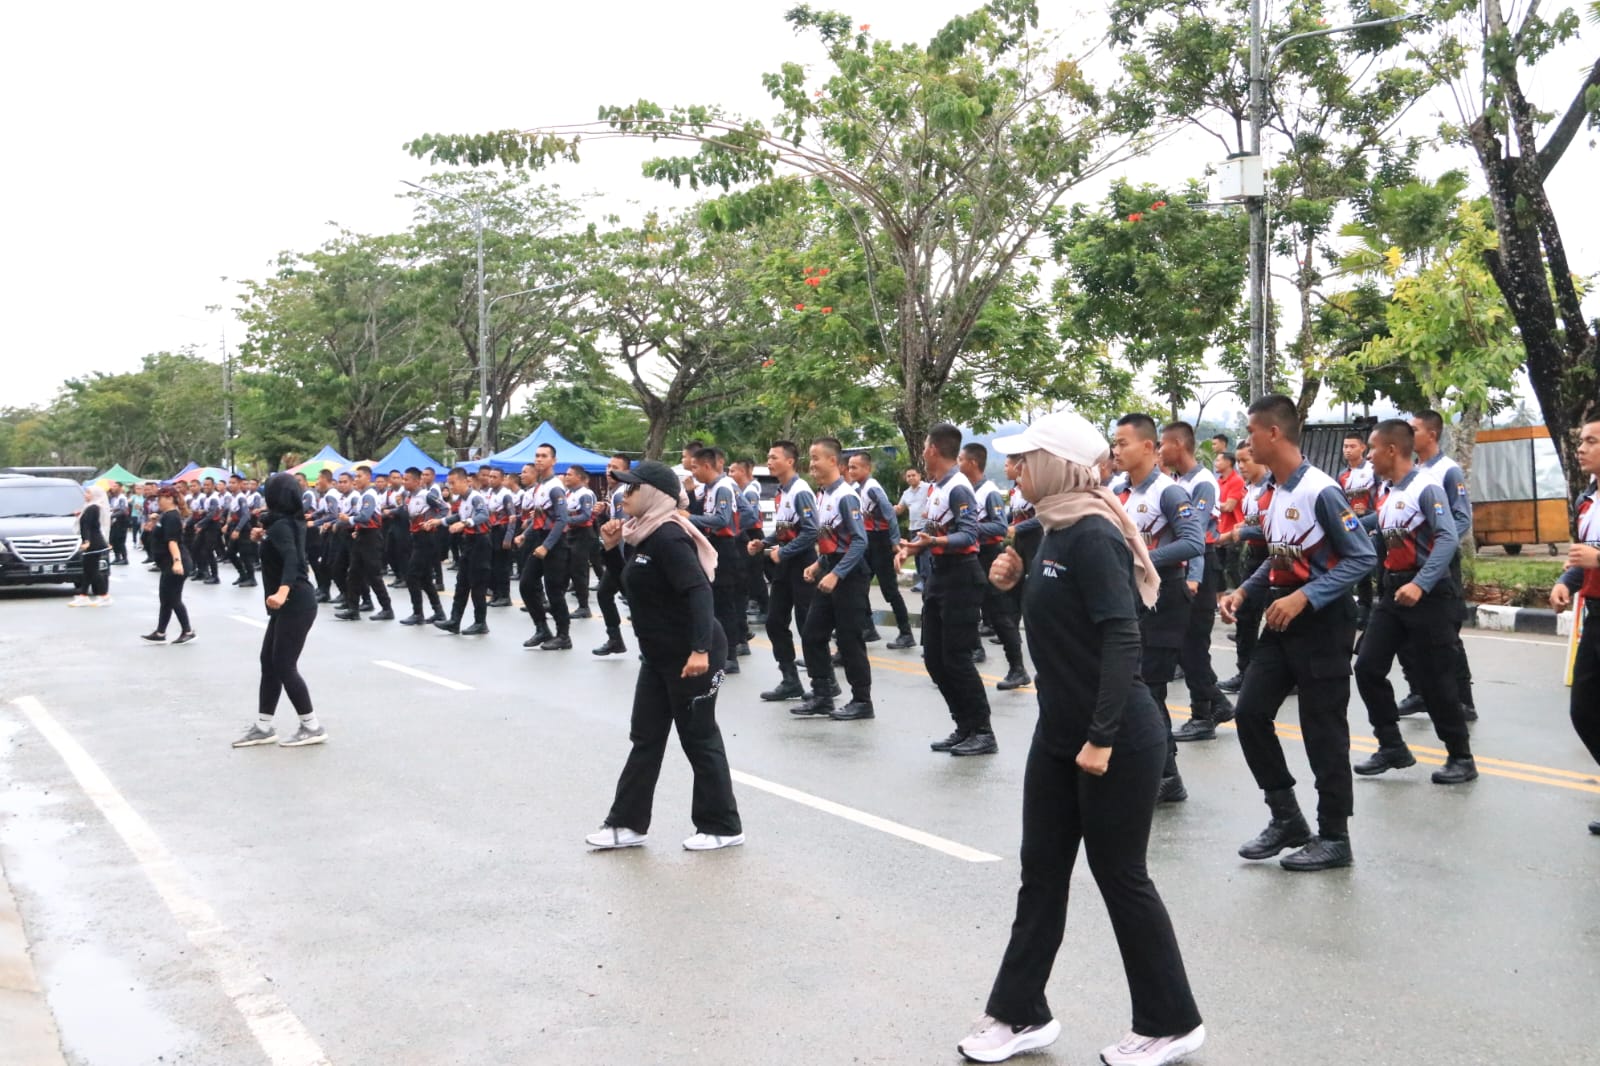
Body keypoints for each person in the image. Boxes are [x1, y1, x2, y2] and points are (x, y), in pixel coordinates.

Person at [962, 412, 1206, 1066]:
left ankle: (1170, 1022)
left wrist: (1100, 739)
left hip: (1115, 737)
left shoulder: (1094, 533)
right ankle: (1020, 1015)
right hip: (1059, 731)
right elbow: (1058, 625)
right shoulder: (1050, 527)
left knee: (1120, 875)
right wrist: (1012, 580)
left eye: (1024, 460)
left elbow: (1122, 636)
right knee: (1040, 872)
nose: (1012, 470)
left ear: (1060, 465)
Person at [1218, 395, 1376, 872]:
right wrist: (1245, 592)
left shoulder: (1320, 490)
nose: (1245, 442)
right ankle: (1286, 817)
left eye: (1250, 432)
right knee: (1248, 713)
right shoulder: (1275, 492)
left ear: (1273, 434)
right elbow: (1279, 556)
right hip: (1280, 622)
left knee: (1322, 731)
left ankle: (1334, 836)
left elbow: (1363, 556)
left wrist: (1306, 597)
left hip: (1322, 625)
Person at [586, 459, 744, 853]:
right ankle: (626, 824)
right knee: (646, 737)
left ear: (653, 494)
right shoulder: (642, 536)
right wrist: (609, 550)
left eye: (632, 488)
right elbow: (631, 584)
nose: (624, 494)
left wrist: (700, 649)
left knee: (699, 738)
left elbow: (699, 592)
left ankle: (722, 826)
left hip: (692, 655)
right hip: (658, 655)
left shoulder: (669, 537)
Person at [1351, 420, 1476, 783]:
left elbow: (1448, 539)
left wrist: (1421, 584)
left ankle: (1461, 756)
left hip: (1429, 596)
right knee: (1368, 667)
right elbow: (1376, 526)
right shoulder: (1388, 491)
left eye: (1372, 448)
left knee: (1435, 679)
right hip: (1394, 595)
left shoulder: (1427, 487)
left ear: (1392, 450)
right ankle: (1391, 745)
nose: (1368, 456)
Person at [1111, 414, 1205, 801]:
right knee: (1128, 686)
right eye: (1114, 444)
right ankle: (1147, 766)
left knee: (1151, 690)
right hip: (1129, 599)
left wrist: (1144, 559)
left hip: (1164, 601)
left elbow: (1193, 542)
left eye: (1123, 444)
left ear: (1148, 447)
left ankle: (1168, 775)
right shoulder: (1118, 491)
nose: (1116, 451)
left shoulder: (1168, 492)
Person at [896, 423, 997, 756]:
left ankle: (982, 730)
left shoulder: (958, 487)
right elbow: (931, 532)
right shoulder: (935, 488)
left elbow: (970, 535)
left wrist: (936, 540)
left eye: (925, 445)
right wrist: (911, 548)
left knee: (957, 659)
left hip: (961, 578)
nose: (923, 451)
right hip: (938, 576)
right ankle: (963, 725)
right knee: (935, 659)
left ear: (933, 450)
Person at [232, 473, 326, 749]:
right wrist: (264, 535)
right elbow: (286, 541)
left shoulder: (283, 526)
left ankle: (311, 725)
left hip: (295, 601)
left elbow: (293, 559)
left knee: (284, 664)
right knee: (268, 661)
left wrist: (283, 590)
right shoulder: (286, 522)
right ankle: (263, 726)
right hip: (290, 603)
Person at [1397, 410, 1478, 721]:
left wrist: (1437, 547)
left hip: (1441, 563)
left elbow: (1461, 519)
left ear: (1431, 434)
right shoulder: (1413, 471)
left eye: (1414, 429)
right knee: (1408, 631)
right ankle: (1419, 692)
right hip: (1412, 564)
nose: (1409, 434)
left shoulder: (1448, 471)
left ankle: (1464, 700)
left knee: (1446, 634)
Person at [1161, 421, 1234, 741]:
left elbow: (1195, 534)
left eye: (1163, 444)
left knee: (1192, 645)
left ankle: (1203, 713)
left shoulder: (1202, 482)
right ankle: (1214, 703)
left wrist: (1192, 576)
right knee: (1182, 645)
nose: (1161, 450)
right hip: (1185, 565)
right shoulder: (1178, 481)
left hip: (1200, 565)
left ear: (1179, 444)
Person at [793, 437, 875, 721]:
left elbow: (859, 542)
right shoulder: (822, 495)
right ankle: (822, 693)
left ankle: (862, 701)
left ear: (833, 462)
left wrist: (836, 574)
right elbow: (832, 541)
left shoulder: (846, 496)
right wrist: (818, 565)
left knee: (850, 640)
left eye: (816, 458)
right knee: (812, 633)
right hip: (831, 569)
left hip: (850, 575)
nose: (811, 464)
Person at [1549, 416, 1600, 835]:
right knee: (1583, 709)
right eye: (1581, 440)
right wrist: (1566, 582)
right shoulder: (1587, 498)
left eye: (1590, 441)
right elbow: (1580, 556)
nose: (1581, 448)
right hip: (1594, 614)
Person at [749, 441, 818, 702]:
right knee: (776, 622)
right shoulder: (783, 491)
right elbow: (785, 528)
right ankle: (790, 680)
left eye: (774, 457)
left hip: (801, 564)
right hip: (785, 564)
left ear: (790, 461)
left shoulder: (800, 491)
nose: (769, 461)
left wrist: (784, 552)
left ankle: (824, 682)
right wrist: (765, 543)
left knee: (807, 624)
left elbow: (811, 531)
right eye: (768, 457)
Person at [961, 443, 1030, 689]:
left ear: (971, 463)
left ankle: (1018, 668)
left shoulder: (988, 492)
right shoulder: (967, 489)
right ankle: (975, 649)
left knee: (1000, 614)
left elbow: (1000, 526)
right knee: (968, 606)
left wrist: (968, 529)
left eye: (960, 459)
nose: (957, 464)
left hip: (989, 555)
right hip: (972, 556)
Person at [846, 453, 916, 650]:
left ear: (867, 469)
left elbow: (891, 515)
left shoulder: (873, 488)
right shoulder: (856, 488)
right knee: (859, 585)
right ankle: (868, 627)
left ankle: (906, 633)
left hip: (881, 543)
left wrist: (894, 541)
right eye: (850, 467)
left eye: (855, 467)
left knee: (890, 590)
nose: (851, 471)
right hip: (867, 542)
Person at [688, 447, 747, 674]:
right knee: (714, 602)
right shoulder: (709, 489)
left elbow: (722, 520)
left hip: (725, 548)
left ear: (706, 466)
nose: (693, 472)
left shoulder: (723, 487)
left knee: (724, 604)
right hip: (713, 547)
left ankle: (730, 655)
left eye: (695, 467)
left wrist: (690, 518)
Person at [1217, 445, 1271, 693]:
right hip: (1253, 556)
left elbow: (1272, 528)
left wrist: (1239, 533)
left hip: (1272, 557)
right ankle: (1245, 671)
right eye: (1238, 461)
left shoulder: (1272, 488)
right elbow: (1249, 522)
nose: (1241, 466)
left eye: (1245, 460)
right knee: (1246, 617)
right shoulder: (1250, 489)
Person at [516, 447, 573, 650]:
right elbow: (539, 519)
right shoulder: (540, 486)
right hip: (540, 540)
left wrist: (547, 547)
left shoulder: (555, 487)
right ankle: (542, 629)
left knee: (554, 591)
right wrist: (525, 534)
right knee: (526, 584)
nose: (539, 460)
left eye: (544, 456)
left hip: (555, 544)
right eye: (537, 456)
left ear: (553, 460)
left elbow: (562, 519)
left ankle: (563, 635)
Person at [435, 467, 493, 635]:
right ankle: (454, 621)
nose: (450, 487)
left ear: (464, 481)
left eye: (453, 483)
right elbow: (458, 517)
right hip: (468, 543)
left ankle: (480, 622)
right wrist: (440, 522)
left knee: (477, 585)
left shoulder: (476, 497)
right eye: (449, 483)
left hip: (480, 543)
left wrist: (466, 523)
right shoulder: (461, 500)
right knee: (462, 583)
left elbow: (483, 515)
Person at [335, 466, 395, 621]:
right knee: (353, 574)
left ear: (368, 477)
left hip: (371, 538)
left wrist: (349, 520)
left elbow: (366, 516)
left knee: (374, 575)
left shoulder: (369, 495)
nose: (356, 479)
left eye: (359, 476)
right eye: (355, 476)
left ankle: (387, 608)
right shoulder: (363, 495)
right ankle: (353, 608)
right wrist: (357, 528)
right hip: (362, 536)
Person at [142, 487, 197, 645]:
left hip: (176, 562)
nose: (158, 501)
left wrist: (177, 562)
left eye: (161, 498)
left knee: (173, 598)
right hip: (166, 564)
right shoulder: (164, 516)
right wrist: (153, 522)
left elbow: (172, 541)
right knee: (165, 598)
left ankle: (188, 630)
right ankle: (160, 632)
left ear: (170, 499)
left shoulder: (172, 517)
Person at [593, 454, 633, 656]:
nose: (609, 470)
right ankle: (615, 639)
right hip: (616, 555)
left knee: (636, 602)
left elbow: (621, 528)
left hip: (624, 556)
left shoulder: (622, 493)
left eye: (615, 467)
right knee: (604, 594)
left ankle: (652, 644)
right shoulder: (614, 493)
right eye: (608, 466)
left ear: (626, 472)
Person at [398, 467, 449, 625]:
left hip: (428, 538)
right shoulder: (408, 497)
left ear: (417, 481)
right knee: (425, 578)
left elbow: (445, 508)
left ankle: (417, 612)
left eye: (407, 479)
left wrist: (434, 521)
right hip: (416, 538)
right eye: (403, 479)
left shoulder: (427, 495)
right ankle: (438, 611)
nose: (404, 482)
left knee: (412, 575)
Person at [1338, 432, 1377, 628]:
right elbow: (1340, 504)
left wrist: (1369, 513)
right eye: (1345, 446)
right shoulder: (1342, 476)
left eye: (1352, 446)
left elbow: (1381, 498)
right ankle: (1357, 610)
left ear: (1363, 447)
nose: (1347, 450)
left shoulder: (1372, 471)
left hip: (1370, 522)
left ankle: (1366, 610)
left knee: (1367, 568)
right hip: (1351, 525)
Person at [730, 459, 770, 625]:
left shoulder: (750, 491)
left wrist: (734, 527)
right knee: (748, 574)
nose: (730, 475)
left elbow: (751, 515)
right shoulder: (741, 490)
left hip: (753, 534)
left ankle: (766, 609)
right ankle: (755, 604)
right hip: (745, 533)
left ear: (743, 472)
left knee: (755, 575)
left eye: (733, 471)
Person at [563, 466, 598, 619]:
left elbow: (585, 515)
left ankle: (584, 606)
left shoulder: (585, 494)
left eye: (569, 475)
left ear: (579, 477)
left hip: (582, 534)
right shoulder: (569, 493)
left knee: (579, 570)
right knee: (565, 568)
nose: (566, 477)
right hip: (570, 533)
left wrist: (566, 520)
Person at [70, 485, 113, 607]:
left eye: (88, 493)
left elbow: (87, 527)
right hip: (93, 541)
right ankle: (83, 596)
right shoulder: (89, 507)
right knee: (88, 570)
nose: (85, 495)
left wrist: (87, 541)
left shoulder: (93, 507)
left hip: (94, 543)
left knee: (93, 570)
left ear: (95, 495)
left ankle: (104, 596)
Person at [896, 468, 932, 593]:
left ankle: (927, 582)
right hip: (913, 527)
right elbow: (900, 508)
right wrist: (892, 509)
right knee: (917, 555)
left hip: (925, 527)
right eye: (908, 476)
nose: (911, 478)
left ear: (920, 475)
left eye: (913, 475)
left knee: (924, 556)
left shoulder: (928, 488)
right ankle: (922, 581)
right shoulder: (906, 493)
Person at [1214, 451, 1246, 589]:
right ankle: (1220, 602)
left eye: (1218, 460)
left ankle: (1243, 596)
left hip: (1233, 531)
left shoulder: (1236, 481)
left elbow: (1228, 506)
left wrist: (1212, 504)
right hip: (1219, 531)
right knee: (1218, 569)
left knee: (1233, 569)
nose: (1216, 463)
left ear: (1228, 463)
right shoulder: (1218, 481)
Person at [107, 483, 131, 565]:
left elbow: (123, 510)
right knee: (113, 540)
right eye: (112, 486)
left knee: (120, 541)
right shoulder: (113, 498)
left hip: (121, 522)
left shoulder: (122, 498)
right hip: (114, 522)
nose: (113, 488)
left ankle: (124, 558)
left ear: (120, 488)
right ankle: (117, 557)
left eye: (115, 486)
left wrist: (111, 515)